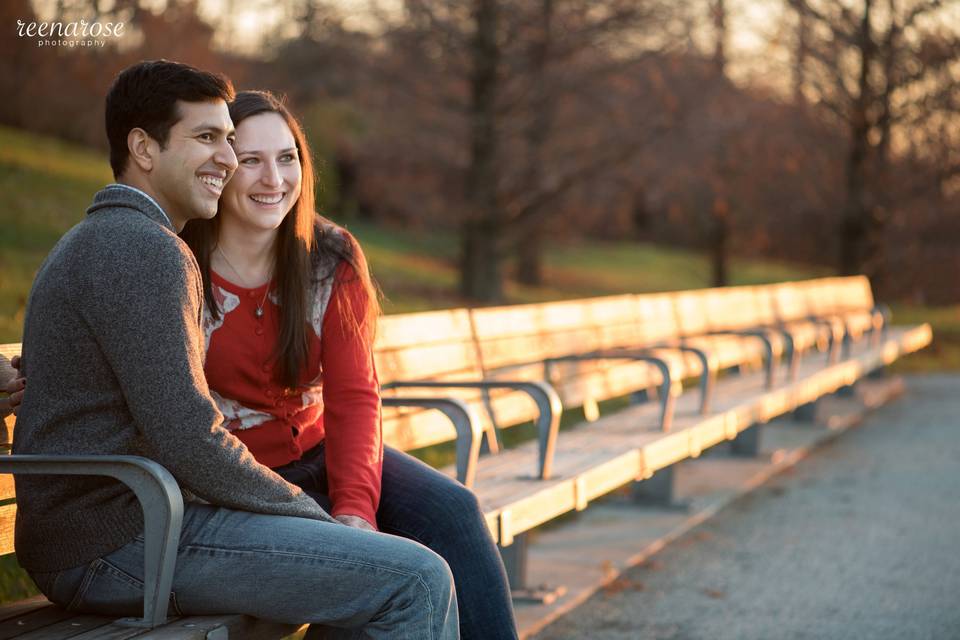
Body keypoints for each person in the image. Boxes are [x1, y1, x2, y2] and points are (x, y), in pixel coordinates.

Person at [12, 60, 457, 639]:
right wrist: (315, 517)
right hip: (119, 542)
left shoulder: (112, 239)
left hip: (134, 525)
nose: (226, 157)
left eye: (227, 139)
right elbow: (190, 437)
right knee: (415, 579)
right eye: (205, 138)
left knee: (394, 567)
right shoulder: (144, 251)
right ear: (143, 149)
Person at [178, 90, 518, 639]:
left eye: (287, 158)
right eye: (252, 160)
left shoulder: (328, 255)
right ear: (221, 168)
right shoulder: (179, 264)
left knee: (454, 512)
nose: (274, 179)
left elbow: (356, 395)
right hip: (244, 485)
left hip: (324, 453)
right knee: (373, 584)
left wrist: (356, 509)